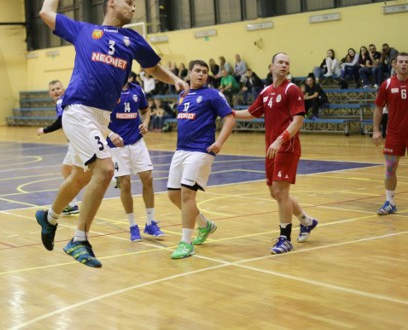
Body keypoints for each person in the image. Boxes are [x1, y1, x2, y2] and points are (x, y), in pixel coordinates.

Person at [35, 0, 188, 268]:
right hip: (79, 110)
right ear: (111, 4)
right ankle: (79, 240)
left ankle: (50, 217)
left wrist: (175, 80)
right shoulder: (84, 31)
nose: (133, 7)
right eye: (128, 2)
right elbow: (46, 11)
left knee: (81, 176)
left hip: (101, 117)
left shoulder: (133, 39)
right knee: (105, 170)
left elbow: (153, 68)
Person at [234, 53, 319, 254]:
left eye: (287, 63)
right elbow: (252, 112)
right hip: (271, 149)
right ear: (271, 66)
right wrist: (228, 113)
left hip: (286, 147)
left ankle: (285, 238)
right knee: (276, 193)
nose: (284, 65)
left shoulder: (292, 90)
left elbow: (298, 121)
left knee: (281, 193)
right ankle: (306, 221)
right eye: (280, 62)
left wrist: (280, 139)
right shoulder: (266, 91)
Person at [167, 60, 236, 259]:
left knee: (187, 195)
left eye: (205, 72)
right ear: (189, 73)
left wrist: (219, 142)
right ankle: (205, 225)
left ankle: (186, 243)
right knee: (173, 195)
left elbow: (230, 118)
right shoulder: (183, 94)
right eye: (197, 71)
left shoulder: (213, 95)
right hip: (181, 150)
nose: (201, 74)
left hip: (201, 150)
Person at [107, 81, 164, 242]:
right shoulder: (108, 88)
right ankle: (133, 226)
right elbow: (98, 119)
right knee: (125, 184)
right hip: (117, 146)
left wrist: (145, 123)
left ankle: (150, 222)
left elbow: (146, 111)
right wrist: (111, 134)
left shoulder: (137, 89)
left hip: (137, 142)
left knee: (148, 178)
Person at [372, 52, 408, 215]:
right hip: (394, 133)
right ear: (394, 64)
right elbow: (378, 108)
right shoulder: (387, 84)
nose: (403, 64)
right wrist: (376, 130)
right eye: (400, 62)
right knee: (390, 168)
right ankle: (390, 202)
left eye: (406, 62)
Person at [37, 80, 79, 215]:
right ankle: (72, 205)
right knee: (67, 170)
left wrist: (45, 130)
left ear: (63, 89)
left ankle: (115, 177)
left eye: (58, 88)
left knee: (81, 171)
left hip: (76, 140)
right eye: (53, 89)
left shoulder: (62, 102)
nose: (56, 91)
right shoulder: (64, 102)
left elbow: (61, 121)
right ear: (50, 93)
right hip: (74, 140)